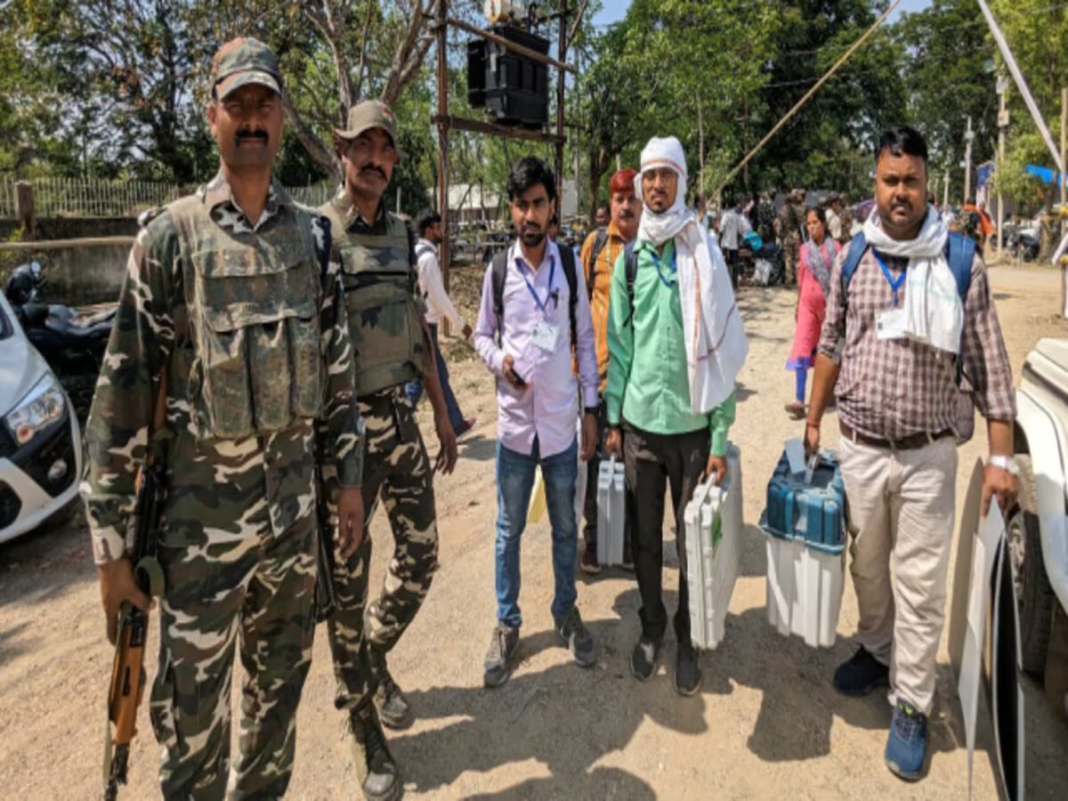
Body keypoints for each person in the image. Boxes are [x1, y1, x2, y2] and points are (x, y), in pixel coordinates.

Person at [82, 37, 366, 798]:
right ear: (211, 117)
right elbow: (119, 405)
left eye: (263, 105)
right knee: (193, 735)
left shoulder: (313, 239)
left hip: (293, 535)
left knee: (276, 713)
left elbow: (337, 379)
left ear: (280, 117)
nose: (250, 119)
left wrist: (348, 483)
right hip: (199, 547)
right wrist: (111, 551)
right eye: (235, 105)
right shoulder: (169, 241)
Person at [805, 125, 1018, 781]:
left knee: (919, 585)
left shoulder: (959, 262)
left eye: (911, 181)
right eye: (889, 181)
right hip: (861, 450)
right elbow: (832, 342)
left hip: (928, 455)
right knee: (866, 567)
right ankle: (875, 648)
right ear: (875, 185)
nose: (901, 192)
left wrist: (1003, 461)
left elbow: (991, 368)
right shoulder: (852, 258)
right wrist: (814, 418)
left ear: (928, 184)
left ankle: (914, 702)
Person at [319, 99, 459, 800]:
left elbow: (421, 333)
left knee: (422, 555)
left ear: (394, 162)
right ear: (343, 152)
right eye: (361, 147)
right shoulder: (318, 233)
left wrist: (440, 412)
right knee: (346, 584)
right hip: (340, 433)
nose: (373, 159)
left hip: (399, 422)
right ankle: (361, 724)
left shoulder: (406, 235)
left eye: (384, 150)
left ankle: (369, 658)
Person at [604, 137, 747, 696]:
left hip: (691, 430)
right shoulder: (631, 258)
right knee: (643, 543)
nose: (657, 186)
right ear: (639, 185)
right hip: (640, 425)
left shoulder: (704, 255)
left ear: (681, 181)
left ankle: (687, 637)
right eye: (649, 177)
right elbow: (619, 346)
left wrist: (719, 433)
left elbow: (723, 351)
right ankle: (652, 627)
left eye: (666, 176)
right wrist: (613, 421)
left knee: (691, 545)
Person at [473, 156, 600, 688]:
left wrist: (590, 408)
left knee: (567, 526)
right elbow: (480, 335)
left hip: (559, 425)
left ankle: (566, 611)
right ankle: (507, 623)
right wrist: (499, 361)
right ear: (512, 209)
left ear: (552, 208)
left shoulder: (569, 267)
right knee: (508, 530)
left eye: (539, 203)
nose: (530, 213)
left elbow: (585, 342)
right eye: (522, 204)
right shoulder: (498, 271)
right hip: (515, 432)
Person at [577, 167, 640, 575]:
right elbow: (578, 309)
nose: (625, 204)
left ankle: (633, 541)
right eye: (618, 198)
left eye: (630, 197)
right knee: (597, 459)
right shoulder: (595, 245)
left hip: (639, 383)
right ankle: (596, 539)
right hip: (599, 376)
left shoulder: (654, 247)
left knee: (636, 465)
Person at [405, 211, 477, 441]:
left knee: (436, 374)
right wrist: (461, 324)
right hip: (427, 323)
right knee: (422, 378)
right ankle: (402, 419)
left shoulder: (417, 254)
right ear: (429, 230)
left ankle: (456, 424)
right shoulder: (427, 259)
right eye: (438, 227)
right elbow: (439, 297)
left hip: (421, 321)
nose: (441, 232)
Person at [785, 206, 840, 419]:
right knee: (802, 346)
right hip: (808, 303)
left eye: (815, 223)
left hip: (829, 306)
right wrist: (798, 304)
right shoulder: (804, 250)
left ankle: (830, 392)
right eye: (808, 224)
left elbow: (839, 280)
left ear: (823, 224)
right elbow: (801, 278)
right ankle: (799, 400)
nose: (811, 227)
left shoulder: (835, 248)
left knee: (829, 350)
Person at [719, 198, 751, 289]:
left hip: (725, 244)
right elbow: (741, 230)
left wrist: (719, 240)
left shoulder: (726, 215)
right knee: (735, 264)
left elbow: (721, 228)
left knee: (725, 263)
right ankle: (735, 284)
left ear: (727, 206)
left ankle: (725, 283)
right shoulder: (737, 216)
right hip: (734, 245)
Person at [777, 189, 805, 285]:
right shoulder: (798, 209)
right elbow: (802, 222)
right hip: (796, 235)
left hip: (787, 236)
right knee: (797, 258)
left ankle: (788, 279)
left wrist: (780, 236)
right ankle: (798, 279)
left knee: (788, 258)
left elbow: (779, 226)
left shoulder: (781, 211)